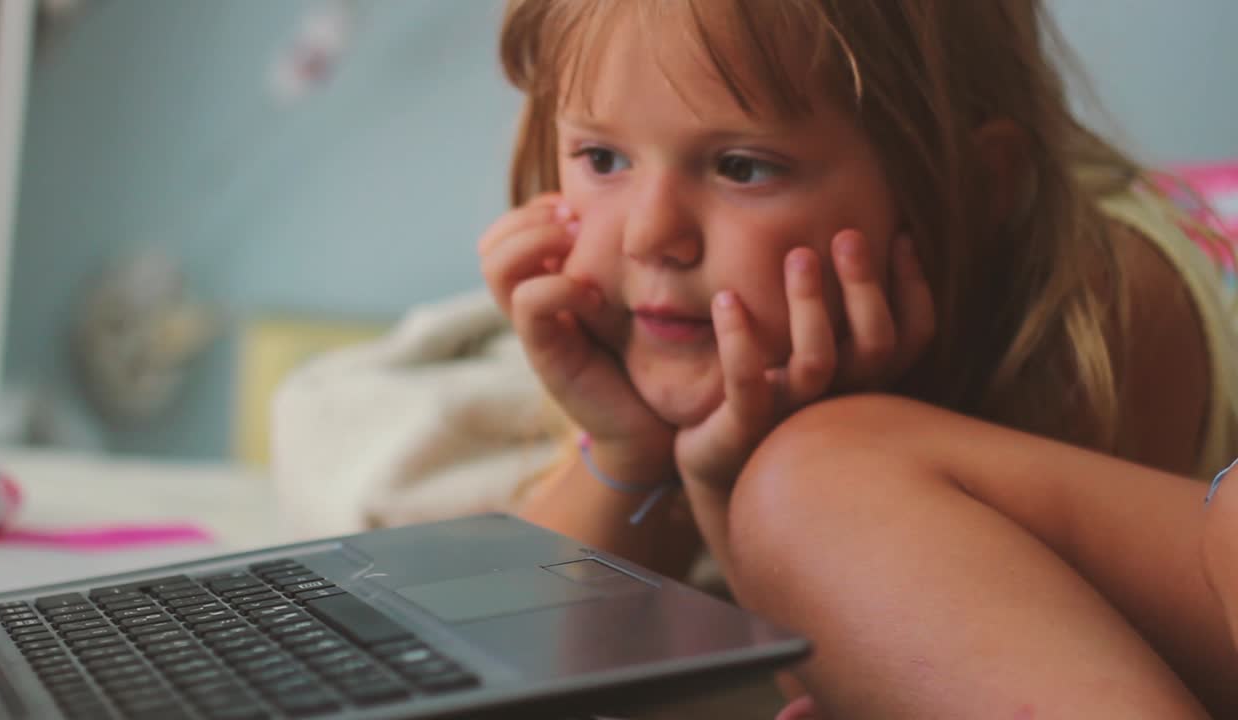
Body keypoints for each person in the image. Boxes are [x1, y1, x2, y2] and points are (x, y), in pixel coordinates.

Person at [477, 1, 1238, 717]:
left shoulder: (1093, 319)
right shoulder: (670, 325)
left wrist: (725, 483)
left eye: (741, 168)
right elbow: (501, 662)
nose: (648, 235)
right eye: (603, 158)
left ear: (974, 184)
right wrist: (628, 449)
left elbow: (893, 665)